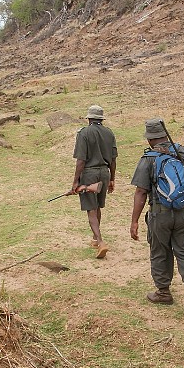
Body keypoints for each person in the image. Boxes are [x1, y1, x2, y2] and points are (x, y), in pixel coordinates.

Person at [130, 118, 184, 313]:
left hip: (160, 214)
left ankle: (163, 292)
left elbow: (141, 192)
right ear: (165, 134)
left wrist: (134, 221)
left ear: (149, 139)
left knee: (160, 251)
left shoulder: (148, 159)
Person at [72, 105, 117, 259]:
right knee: (97, 206)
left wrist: (75, 182)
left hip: (89, 174)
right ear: (101, 119)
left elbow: (80, 160)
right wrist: (112, 179)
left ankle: (100, 241)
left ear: (89, 118)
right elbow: (113, 159)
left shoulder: (84, 133)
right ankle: (94, 238)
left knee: (91, 209)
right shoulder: (109, 133)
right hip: (104, 173)